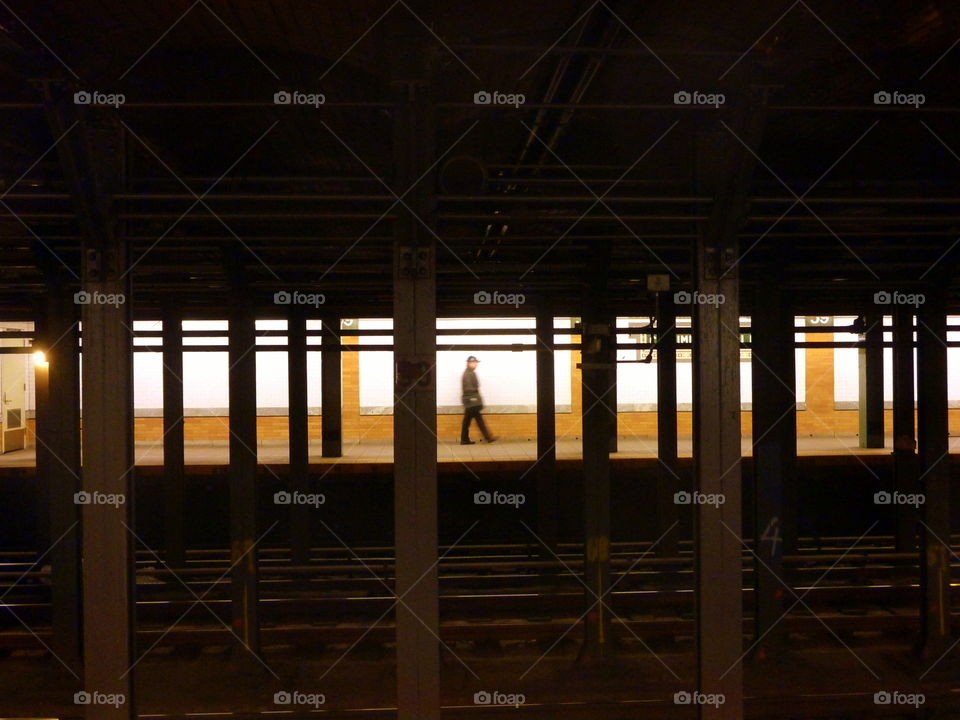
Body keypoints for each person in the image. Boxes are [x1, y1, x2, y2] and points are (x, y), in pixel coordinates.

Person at [460, 355, 496, 444]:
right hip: (471, 401)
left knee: (468, 421)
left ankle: (465, 439)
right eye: (474, 363)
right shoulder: (468, 373)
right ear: (469, 363)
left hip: (470, 401)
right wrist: (474, 397)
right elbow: (469, 388)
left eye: (476, 363)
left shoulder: (470, 372)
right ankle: (488, 437)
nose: (476, 364)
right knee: (476, 420)